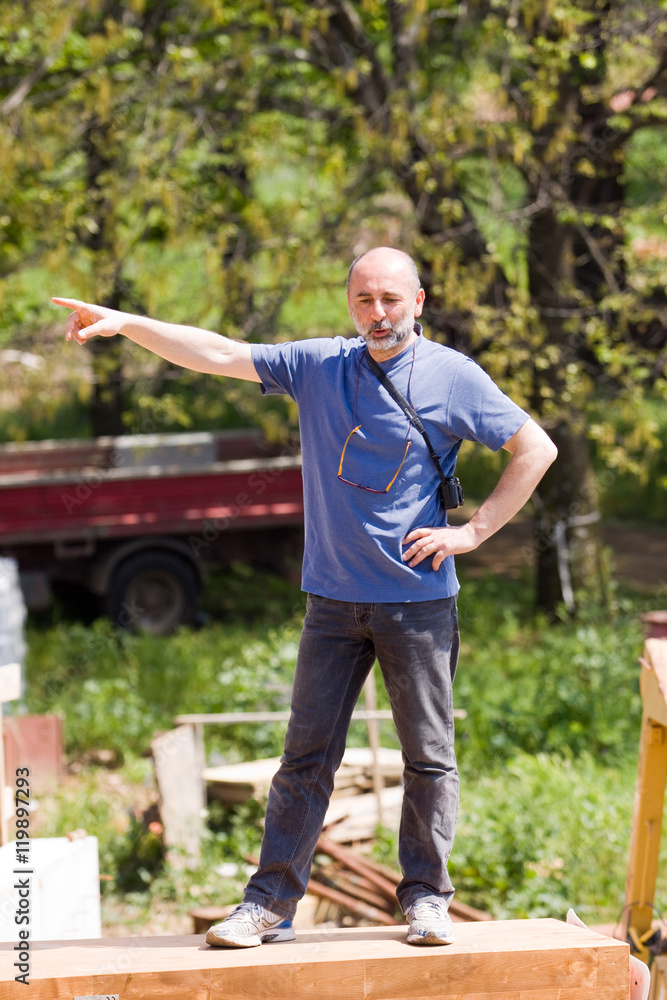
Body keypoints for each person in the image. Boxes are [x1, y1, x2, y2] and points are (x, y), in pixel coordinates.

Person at [54, 246, 557, 948]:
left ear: (418, 300)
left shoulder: (453, 377)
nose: (376, 314)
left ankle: (425, 900)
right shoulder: (321, 364)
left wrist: (472, 532)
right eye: (363, 301)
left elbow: (535, 448)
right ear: (349, 305)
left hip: (415, 603)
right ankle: (267, 906)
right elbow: (220, 353)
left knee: (427, 757)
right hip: (330, 602)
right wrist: (124, 322)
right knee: (304, 759)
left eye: (389, 300)